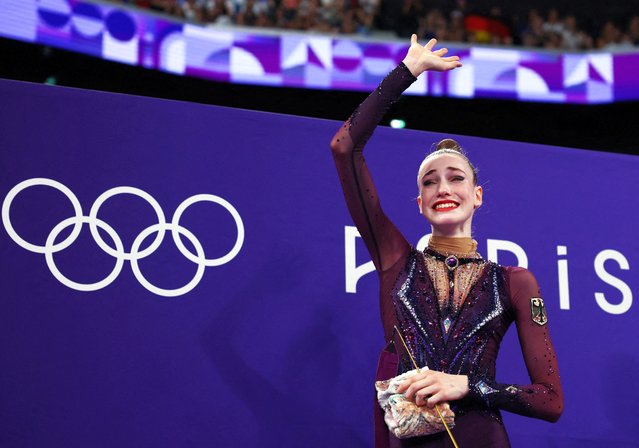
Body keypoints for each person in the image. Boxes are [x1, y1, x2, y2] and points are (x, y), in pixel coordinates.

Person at [330, 35, 563, 447]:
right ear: (420, 203)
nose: (443, 187)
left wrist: (468, 385)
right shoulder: (396, 262)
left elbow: (550, 400)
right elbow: (345, 147)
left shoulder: (514, 281)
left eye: (456, 178)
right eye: (430, 181)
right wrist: (407, 72)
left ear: (477, 195)